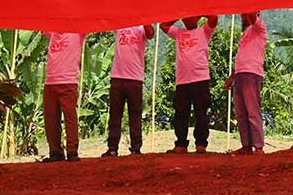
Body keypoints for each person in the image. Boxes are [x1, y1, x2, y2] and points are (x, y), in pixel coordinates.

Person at [161, 15, 218, 153]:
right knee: (181, 113)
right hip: (182, 80)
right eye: (185, 18)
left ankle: (201, 144)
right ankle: (180, 144)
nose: (188, 19)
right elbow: (163, 25)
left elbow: (213, 18)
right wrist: (179, 14)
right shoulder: (179, 33)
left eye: (191, 17)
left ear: (197, 18)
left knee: (201, 113)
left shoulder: (204, 31)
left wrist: (199, 11)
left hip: (200, 78)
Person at [103, 23, 155, 157]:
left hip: (135, 78)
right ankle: (112, 148)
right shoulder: (120, 25)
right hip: (117, 76)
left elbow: (151, 34)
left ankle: (136, 148)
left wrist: (144, 19)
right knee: (115, 115)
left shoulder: (142, 28)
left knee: (135, 115)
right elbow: (110, 18)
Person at [223, 12, 268, 155]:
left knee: (252, 111)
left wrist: (248, 3)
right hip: (241, 74)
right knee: (241, 113)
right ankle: (247, 145)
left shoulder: (259, 27)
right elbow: (242, 57)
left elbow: (252, 15)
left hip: (252, 73)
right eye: (242, 14)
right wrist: (232, 76)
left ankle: (258, 146)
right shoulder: (245, 34)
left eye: (245, 14)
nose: (243, 16)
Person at [41, 31, 86, 163]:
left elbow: (88, 16)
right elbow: (42, 24)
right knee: (51, 119)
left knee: (70, 117)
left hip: (68, 81)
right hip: (50, 81)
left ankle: (72, 151)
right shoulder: (52, 32)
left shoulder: (78, 32)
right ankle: (55, 152)